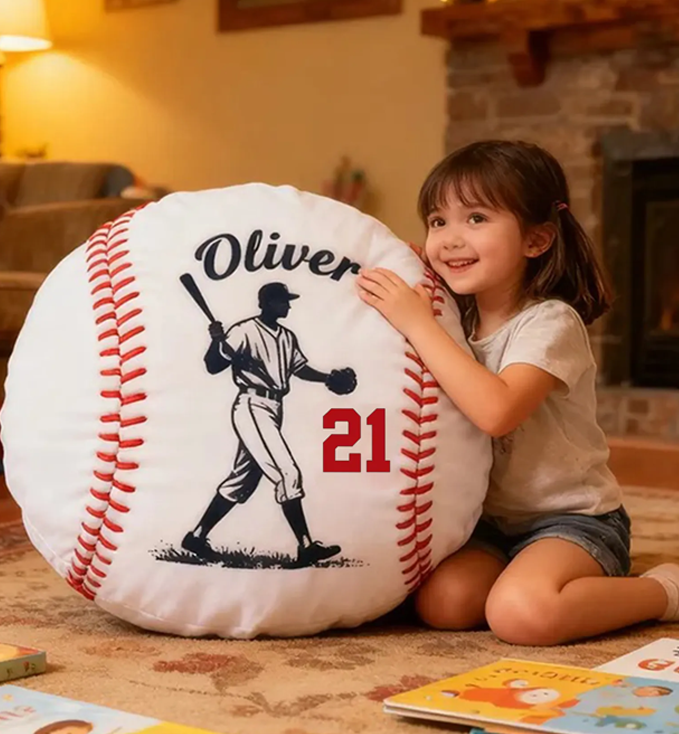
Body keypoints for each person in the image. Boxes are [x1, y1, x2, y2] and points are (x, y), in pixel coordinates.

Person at [356, 140, 679, 646]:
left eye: (477, 218)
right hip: (485, 522)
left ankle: (662, 590)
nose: (450, 239)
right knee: (443, 606)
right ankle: (524, 573)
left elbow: (497, 410)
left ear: (536, 239)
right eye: (438, 221)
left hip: (573, 519)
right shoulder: (452, 320)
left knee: (521, 616)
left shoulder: (551, 321)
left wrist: (418, 324)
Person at [182, 281, 347, 567]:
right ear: (268, 303)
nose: (288, 305)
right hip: (251, 405)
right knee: (287, 473)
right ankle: (306, 546)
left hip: (273, 407)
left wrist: (327, 378)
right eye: (283, 301)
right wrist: (217, 340)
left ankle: (196, 537)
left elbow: (298, 369)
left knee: (241, 482)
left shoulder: (286, 336)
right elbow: (213, 365)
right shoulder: (244, 330)